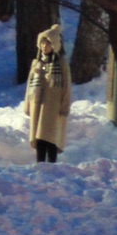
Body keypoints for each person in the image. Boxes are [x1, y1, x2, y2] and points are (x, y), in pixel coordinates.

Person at [25, 22, 73, 163]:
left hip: (53, 107)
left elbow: (66, 86)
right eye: (42, 44)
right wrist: (27, 104)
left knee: (51, 136)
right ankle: (40, 163)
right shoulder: (36, 64)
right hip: (37, 105)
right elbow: (29, 85)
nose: (45, 47)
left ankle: (52, 164)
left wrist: (65, 106)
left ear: (55, 45)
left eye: (48, 44)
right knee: (39, 137)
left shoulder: (61, 64)